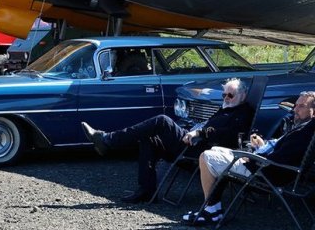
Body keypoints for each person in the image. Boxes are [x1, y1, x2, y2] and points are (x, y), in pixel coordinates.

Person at [82, 78, 253, 203]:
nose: (226, 98)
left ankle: (107, 139)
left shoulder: (242, 113)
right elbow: (208, 124)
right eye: (224, 95)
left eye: (230, 95)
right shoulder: (226, 109)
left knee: (162, 121)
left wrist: (199, 132)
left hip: (206, 151)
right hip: (194, 142)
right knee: (148, 138)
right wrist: (195, 130)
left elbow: (226, 134)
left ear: (243, 95)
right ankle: (146, 190)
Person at [182, 91, 315, 226]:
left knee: (206, 156)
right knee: (216, 151)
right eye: (296, 105)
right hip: (266, 166)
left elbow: (279, 160)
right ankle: (213, 210)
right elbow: (281, 151)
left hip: (265, 173)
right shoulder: (304, 128)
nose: (295, 109)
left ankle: (211, 212)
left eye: (301, 106)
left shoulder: (303, 133)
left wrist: (252, 158)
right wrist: (261, 147)